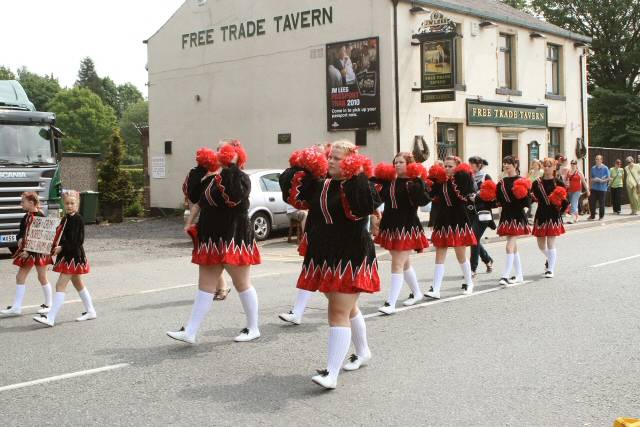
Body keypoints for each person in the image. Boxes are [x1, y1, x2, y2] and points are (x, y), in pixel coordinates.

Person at [280, 141, 381, 389]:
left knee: (337, 312)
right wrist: (300, 165)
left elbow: (366, 205)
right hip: (323, 254)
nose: (332, 161)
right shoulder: (322, 183)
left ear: (350, 162)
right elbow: (294, 196)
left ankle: (331, 374)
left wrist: (356, 174)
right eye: (330, 157)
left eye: (337, 158)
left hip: (350, 255)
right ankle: (364, 351)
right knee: (347, 309)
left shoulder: (358, 186)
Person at [167, 142, 261, 344]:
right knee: (205, 287)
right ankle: (190, 331)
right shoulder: (211, 179)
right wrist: (202, 166)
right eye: (218, 151)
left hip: (234, 237)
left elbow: (234, 197)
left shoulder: (240, 178)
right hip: (211, 238)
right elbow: (193, 195)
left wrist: (232, 166)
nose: (219, 153)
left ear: (236, 155)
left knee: (242, 283)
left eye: (223, 150)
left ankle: (253, 327)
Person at [373, 152, 430, 314]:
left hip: (407, 226)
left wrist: (419, 179)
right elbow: (375, 196)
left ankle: (391, 303)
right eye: (395, 162)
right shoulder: (389, 182)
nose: (397, 165)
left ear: (409, 164)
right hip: (390, 225)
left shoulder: (413, 183)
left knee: (397, 263)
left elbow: (423, 200)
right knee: (404, 263)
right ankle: (417, 293)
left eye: (401, 162)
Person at [33, 192, 96, 326]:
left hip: (73, 257)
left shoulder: (78, 219)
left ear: (77, 204)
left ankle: (50, 318)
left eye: (72, 203)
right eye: (67, 203)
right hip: (68, 255)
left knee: (60, 285)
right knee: (78, 284)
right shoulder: (66, 218)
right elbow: (60, 235)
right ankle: (91, 311)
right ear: (64, 204)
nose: (69, 205)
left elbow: (78, 240)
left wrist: (62, 248)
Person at [424, 156, 477, 300]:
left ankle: (469, 282)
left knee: (460, 254)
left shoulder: (461, 179)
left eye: (450, 166)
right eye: (445, 166)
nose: (446, 169)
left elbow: (468, 187)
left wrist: (460, 172)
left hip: (458, 219)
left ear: (457, 167)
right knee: (439, 254)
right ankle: (436, 288)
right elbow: (429, 194)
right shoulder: (441, 182)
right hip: (443, 219)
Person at [183, 148, 231, 301]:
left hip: (212, 220)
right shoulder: (206, 178)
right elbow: (197, 201)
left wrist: (189, 222)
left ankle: (219, 288)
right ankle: (218, 288)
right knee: (211, 256)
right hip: (207, 220)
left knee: (213, 256)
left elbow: (192, 197)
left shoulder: (207, 177)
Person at [0, 192, 53, 318]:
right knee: (20, 277)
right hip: (27, 251)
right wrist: (19, 239)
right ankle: (16, 307)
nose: (21, 204)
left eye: (23, 201)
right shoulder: (26, 216)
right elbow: (21, 231)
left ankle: (49, 304)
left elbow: (41, 238)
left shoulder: (40, 216)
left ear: (31, 202)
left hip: (38, 251)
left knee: (42, 277)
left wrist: (29, 251)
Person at [495, 156, 531, 286]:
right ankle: (519, 275)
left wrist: (526, 209)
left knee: (509, 245)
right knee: (513, 247)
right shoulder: (501, 182)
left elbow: (527, 201)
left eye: (508, 163)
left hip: (517, 215)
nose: (506, 165)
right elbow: (497, 200)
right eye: (504, 163)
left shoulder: (522, 180)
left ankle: (505, 276)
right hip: (506, 214)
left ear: (515, 165)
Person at [531, 159, 569, 279]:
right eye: (545, 166)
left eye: (549, 166)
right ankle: (550, 258)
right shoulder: (537, 183)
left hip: (553, 214)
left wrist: (561, 211)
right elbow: (531, 197)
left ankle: (550, 269)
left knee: (550, 242)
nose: (547, 168)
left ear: (554, 168)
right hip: (541, 213)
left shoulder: (558, 182)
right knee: (540, 244)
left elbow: (565, 201)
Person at [468, 156, 495, 278]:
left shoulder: (485, 177)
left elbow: (491, 194)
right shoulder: (468, 177)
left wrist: (477, 197)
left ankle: (472, 269)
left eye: (472, 164)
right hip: (469, 213)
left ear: (478, 165)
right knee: (474, 239)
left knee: (473, 238)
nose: (470, 166)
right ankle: (488, 259)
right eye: (469, 164)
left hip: (483, 212)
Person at [588, 155, 610, 221]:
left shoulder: (605, 168)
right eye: (596, 159)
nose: (597, 160)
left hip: (602, 189)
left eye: (598, 159)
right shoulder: (593, 168)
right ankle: (592, 216)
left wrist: (602, 181)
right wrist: (593, 180)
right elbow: (591, 178)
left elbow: (608, 178)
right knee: (592, 202)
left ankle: (601, 216)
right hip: (594, 188)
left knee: (601, 203)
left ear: (601, 160)